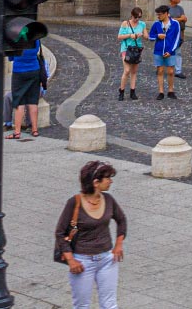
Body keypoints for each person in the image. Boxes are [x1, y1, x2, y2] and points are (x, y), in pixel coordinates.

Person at [56, 160, 127, 309]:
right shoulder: (74, 203)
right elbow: (60, 232)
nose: (111, 181)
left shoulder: (108, 199)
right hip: (82, 262)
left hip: (107, 259)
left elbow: (121, 220)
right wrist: (71, 260)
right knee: (82, 305)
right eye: (108, 178)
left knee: (110, 304)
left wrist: (118, 245)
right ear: (96, 182)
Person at [8, 33, 46, 140]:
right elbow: (36, 50)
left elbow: (11, 57)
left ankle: (17, 132)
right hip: (34, 70)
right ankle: (34, 130)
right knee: (33, 101)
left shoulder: (15, 38)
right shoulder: (35, 38)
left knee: (19, 101)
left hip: (19, 71)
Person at [147, 5, 182, 101]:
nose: (158, 16)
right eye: (157, 14)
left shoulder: (175, 24)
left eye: (160, 14)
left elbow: (177, 38)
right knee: (160, 71)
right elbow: (150, 37)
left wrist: (171, 51)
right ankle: (161, 92)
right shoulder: (156, 24)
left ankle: (171, 91)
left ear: (166, 13)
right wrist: (158, 36)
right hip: (158, 51)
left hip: (170, 51)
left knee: (171, 71)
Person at [117, 7, 145, 101]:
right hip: (126, 49)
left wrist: (141, 34)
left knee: (134, 71)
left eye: (139, 17)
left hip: (137, 49)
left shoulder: (142, 24)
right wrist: (130, 35)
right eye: (135, 17)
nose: (137, 19)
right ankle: (121, 91)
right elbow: (119, 37)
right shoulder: (125, 23)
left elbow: (146, 36)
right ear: (132, 15)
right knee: (127, 70)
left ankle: (133, 91)